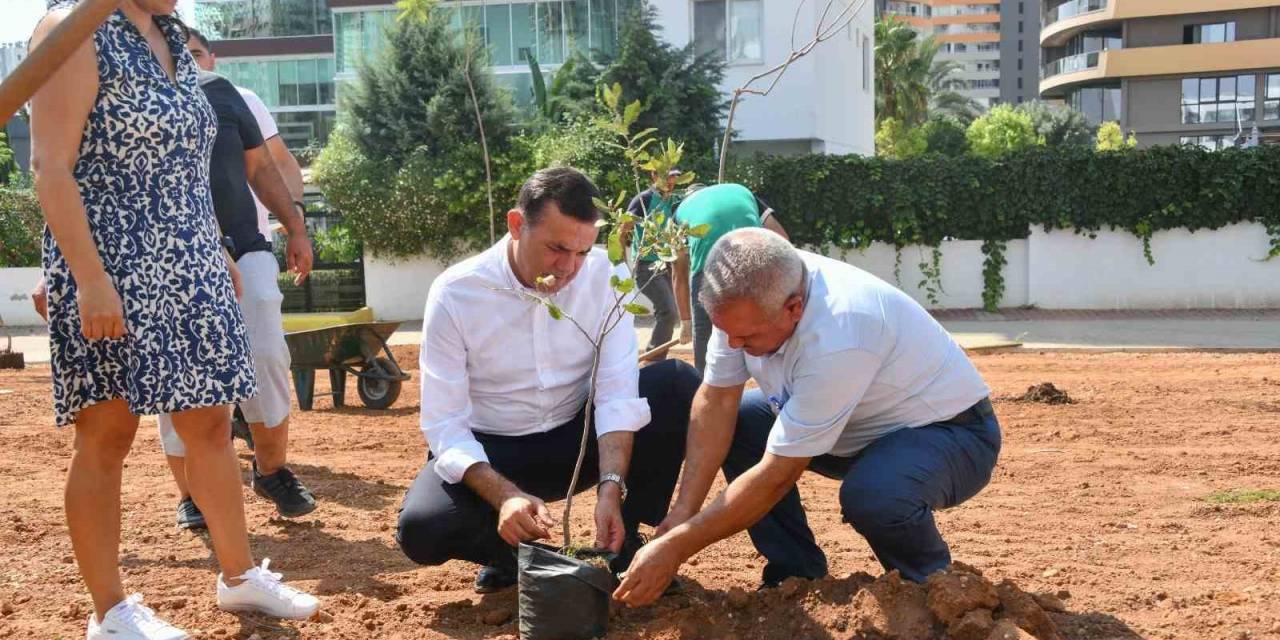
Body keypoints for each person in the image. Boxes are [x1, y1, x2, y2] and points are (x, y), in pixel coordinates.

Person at [28, 2, 318, 638]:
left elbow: (187, 165)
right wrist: (89, 279)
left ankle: (238, 578)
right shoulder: (72, 29)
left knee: (211, 421)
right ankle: (110, 613)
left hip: (189, 252)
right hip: (109, 255)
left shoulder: (170, 37)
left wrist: (210, 244)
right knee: (107, 430)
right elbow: (50, 166)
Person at [614, 228, 1001, 607]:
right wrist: (683, 512)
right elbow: (716, 401)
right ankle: (794, 574)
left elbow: (777, 474)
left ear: (794, 307)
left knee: (875, 495)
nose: (734, 345)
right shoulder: (746, 298)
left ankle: (935, 592)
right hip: (852, 429)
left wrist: (676, 546)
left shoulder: (840, 332)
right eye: (725, 332)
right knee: (743, 424)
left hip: (949, 433)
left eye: (746, 338)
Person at [396, 167, 702, 593]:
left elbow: (616, 392)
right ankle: (512, 558)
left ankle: (623, 541)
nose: (570, 268)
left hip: (576, 440)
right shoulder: (456, 293)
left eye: (582, 252)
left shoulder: (607, 276)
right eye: (557, 249)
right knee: (422, 528)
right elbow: (444, 424)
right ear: (516, 225)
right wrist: (504, 496)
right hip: (493, 451)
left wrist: (612, 488)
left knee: (675, 384)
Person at [153, 29, 317, 531]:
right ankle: (192, 496)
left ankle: (271, 470)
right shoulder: (126, 101)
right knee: (179, 374)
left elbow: (262, 167)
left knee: (266, 354)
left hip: (245, 248)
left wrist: (295, 226)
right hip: (166, 259)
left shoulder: (221, 91)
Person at [670, 183, 787, 372]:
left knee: (704, 336)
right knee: (766, 326)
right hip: (759, 260)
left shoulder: (679, 212)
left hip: (708, 271)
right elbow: (782, 238)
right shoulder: (741, 191)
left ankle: (704, 384)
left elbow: (679, 275)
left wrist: (685, 321)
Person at [622, 170, 688, 361]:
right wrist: (623, 263)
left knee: (667, 313)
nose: (671, 180)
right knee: (668, 311)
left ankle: (655, 357)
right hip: (645, 266)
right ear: (653, 176)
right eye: (667, 176)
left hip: (666, 264)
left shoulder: (672, 201)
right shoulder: (644, 199)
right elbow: (622, 229)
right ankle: (653, 361)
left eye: (674, 176)